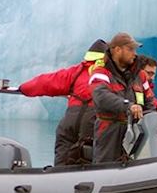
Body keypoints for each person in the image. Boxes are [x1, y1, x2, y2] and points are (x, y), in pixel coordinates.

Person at [19, 39, 108, 165]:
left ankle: (59, 179)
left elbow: (46, 82)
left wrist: (23, 88)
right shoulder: (107, 74)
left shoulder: (76, 71)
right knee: (88, 162)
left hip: (69, 123)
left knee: (63, 161)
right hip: (92, 124)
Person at [89, 33, 146, 164]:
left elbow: (148, 99)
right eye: (130, 49)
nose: (134, 54)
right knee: (105, 168)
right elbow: (101, 96)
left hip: (135, 132)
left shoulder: (138, 75)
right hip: (109, 132)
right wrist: (128, 106)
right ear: (117, 50)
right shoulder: (101, 72)